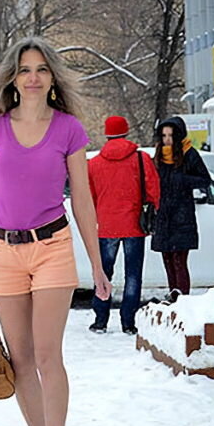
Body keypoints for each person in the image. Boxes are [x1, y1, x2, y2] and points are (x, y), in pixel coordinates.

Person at [0, 36, 112, 426]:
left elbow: (84, 200)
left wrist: (97, 263)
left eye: (42, 70)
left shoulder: (68, 129)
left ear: (52, 79)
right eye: (25, 70)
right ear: (13, 77)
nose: (33, 78)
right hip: (2, 252)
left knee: (49, 357)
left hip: (51, 248)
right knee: (21, 360)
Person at [87, 116, 160, 335]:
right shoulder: (141, 159)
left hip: (107, 225)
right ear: (126, 132)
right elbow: (154, 189)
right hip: (134, 225)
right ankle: (128, 322)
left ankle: (100, 319)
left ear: (106, 133)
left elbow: (89, 197)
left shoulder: (94, 163)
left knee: (104, 273)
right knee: (133, 274)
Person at [151, 115, 211, 302]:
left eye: (170, 135)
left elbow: (205, 180)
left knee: (179, 259)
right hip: (163, 215)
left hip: (182, 215)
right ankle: (172, 294)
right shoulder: (159, 155)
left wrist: (183, 180)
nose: (167, 139)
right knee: (167, 258)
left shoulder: (189, 153)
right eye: (164, 135)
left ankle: (183, 298)